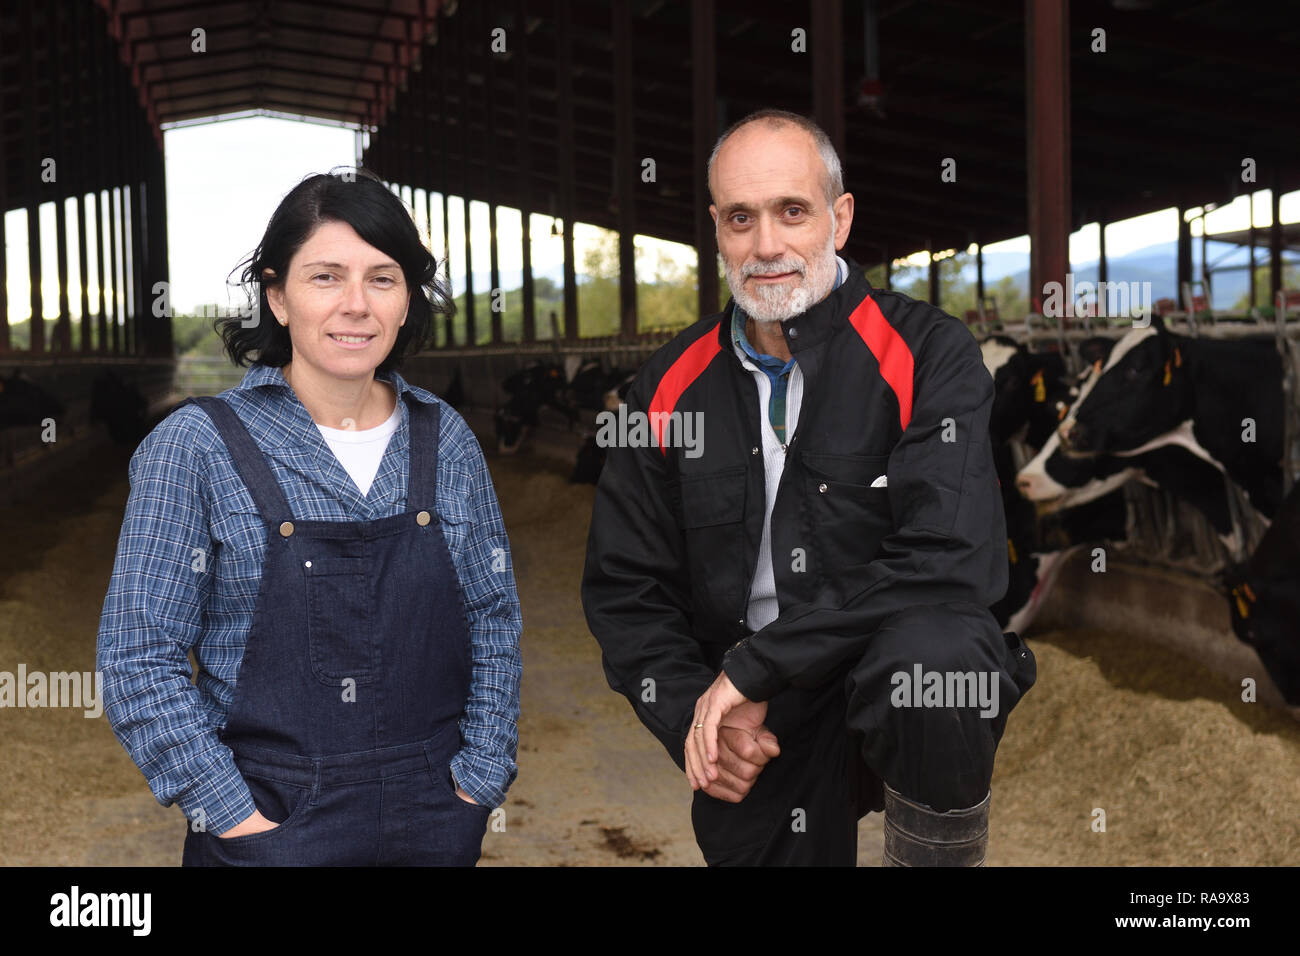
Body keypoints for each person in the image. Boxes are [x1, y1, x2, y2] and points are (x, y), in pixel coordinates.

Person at [581, 110, 1037, 866]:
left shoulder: (930, 353)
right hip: (753, 697)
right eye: (740, 218)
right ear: (717, 231)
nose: (766, 246)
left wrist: (764, 663)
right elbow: (625, 586)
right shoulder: (666, 386)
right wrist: (695, 708)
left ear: (840, 216)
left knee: (941, 657)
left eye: (792, 211)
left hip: (881, 667)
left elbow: (952, 561)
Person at [96, 169, 522, 866]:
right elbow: (138, 659)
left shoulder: (445, 439)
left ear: (407, 299)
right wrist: (233, 817)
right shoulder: (197, 447)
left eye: (382, 279)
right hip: (270, 826)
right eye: (326, 277)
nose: (356, 305)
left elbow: (492, 618)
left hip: (433, 824)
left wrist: (478, 782)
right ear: (277, 296)